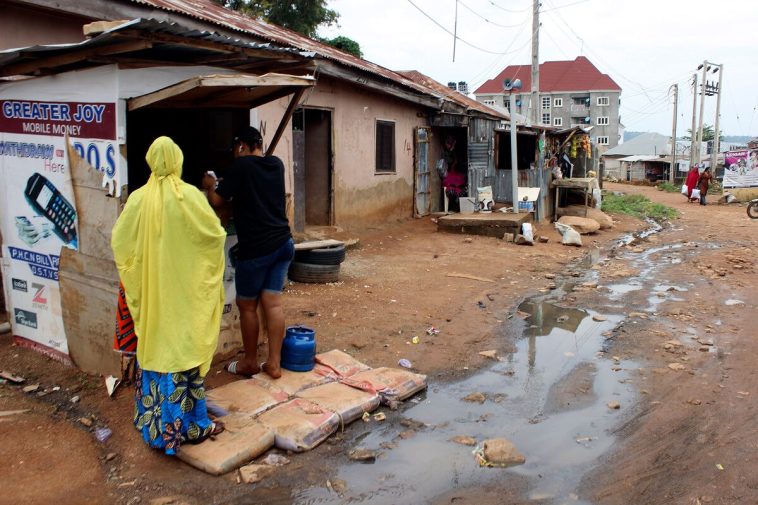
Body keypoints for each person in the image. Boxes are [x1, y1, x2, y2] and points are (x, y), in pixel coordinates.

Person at [111, 137, 227, 455]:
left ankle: (155, 427)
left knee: (158, 348)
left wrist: (141, 271)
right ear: (177, 160)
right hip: (183, 298)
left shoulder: (138, 200)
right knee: (183, 352)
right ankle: (192, 425)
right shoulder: (189, 197)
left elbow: (120, 241)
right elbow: (215, 236)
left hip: (154, 299)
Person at [202, 126, 294, 379]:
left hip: (256, 249)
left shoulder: (240, 167)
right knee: (272, 304)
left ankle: (250, 362)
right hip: (283, 244)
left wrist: (211, 185)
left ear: (241, 145)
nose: (234, 153)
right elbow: (254, 190)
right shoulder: (276, 164)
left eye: (235, 148)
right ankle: (274, 363)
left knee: (247, 305)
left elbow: (218, 200)